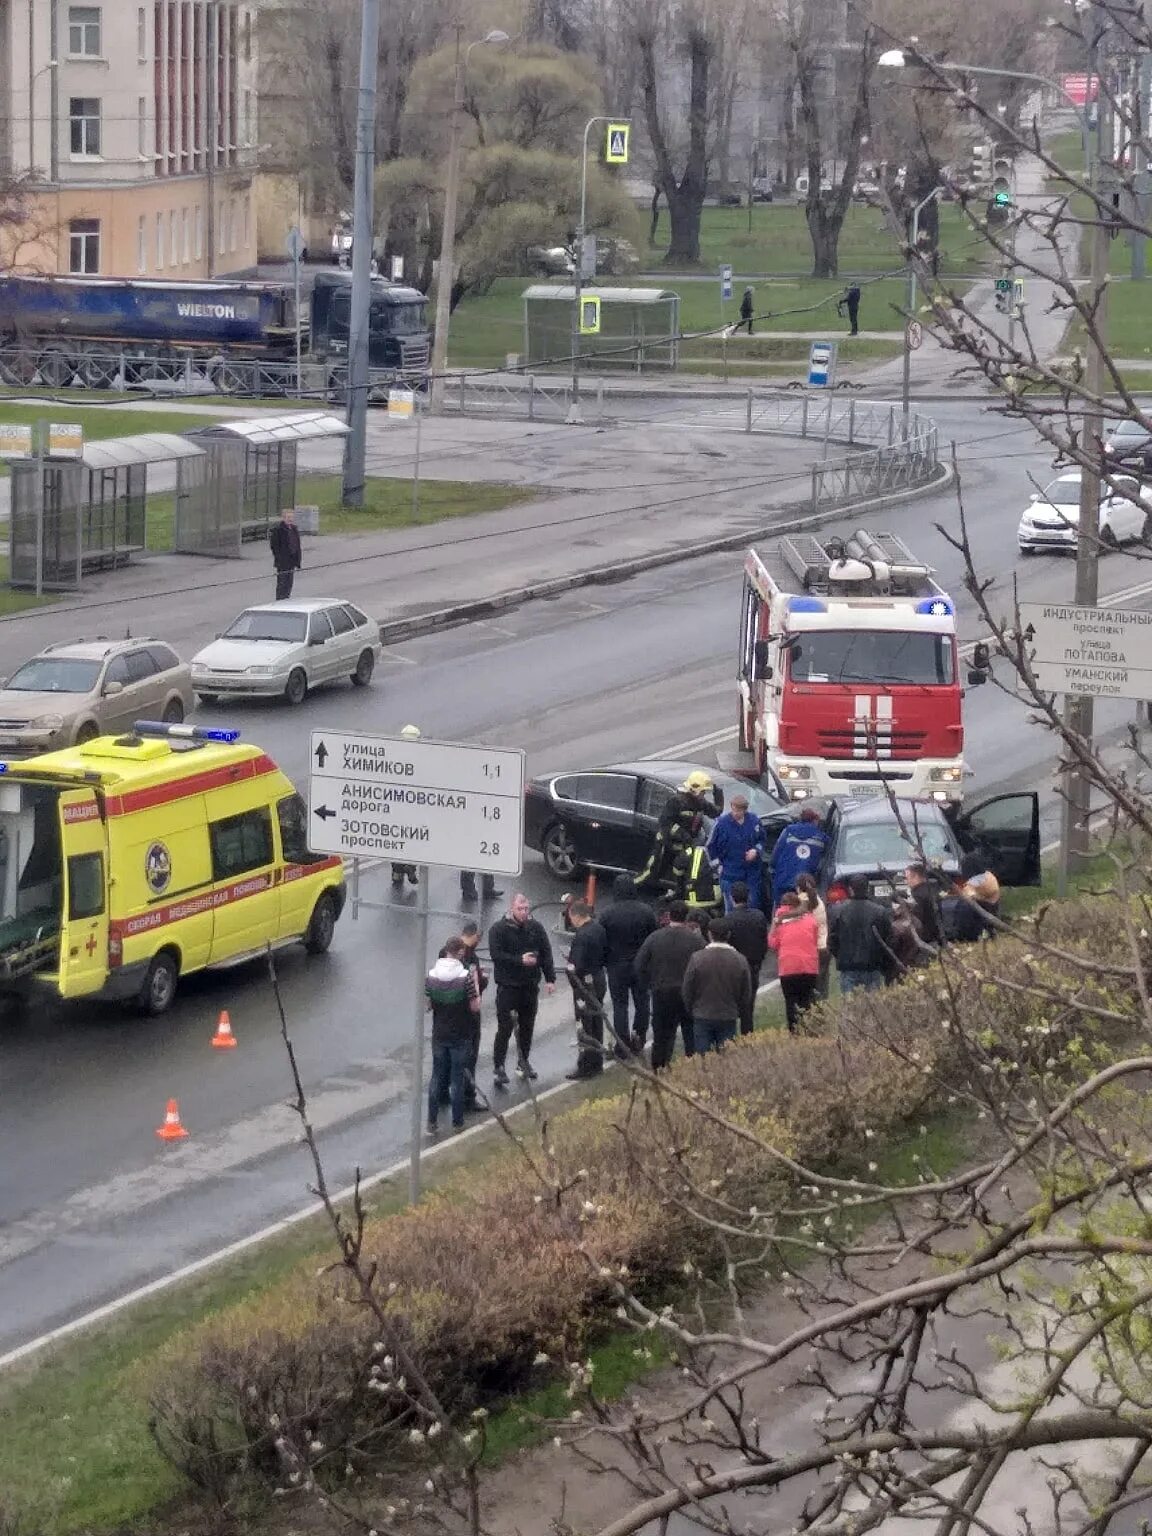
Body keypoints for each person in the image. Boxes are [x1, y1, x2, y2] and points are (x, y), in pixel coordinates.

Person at [488, 893, 556, 1086]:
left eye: (526, 909)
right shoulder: (499, 929)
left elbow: (546, 953)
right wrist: (519, 960)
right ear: (512, 908)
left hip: (529, 986)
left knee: (527, 1027)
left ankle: (523, 1061)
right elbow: (496, 955)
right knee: (505, 1028)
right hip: (508, 987)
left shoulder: (536, 928)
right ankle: (499, 1066)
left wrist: (550, 978)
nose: (524, 913)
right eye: (520, 909)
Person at [635, 899, 705, 1069]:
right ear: (686, 917)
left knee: (662, 1035)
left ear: (669, 916)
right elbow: (704, 964)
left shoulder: (655, 938)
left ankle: (660, 1069)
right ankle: (693, 1067)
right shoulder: (695, 940)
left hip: (662, 992)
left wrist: (649, 984)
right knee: (691, 1033)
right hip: (688, 993)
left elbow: (639, 964)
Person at [425, 936, 481, 1134]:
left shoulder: (432, 975)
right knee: (457, 1079)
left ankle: (431, 1121)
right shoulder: (465, 977)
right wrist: (475, 984)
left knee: (437, 1077)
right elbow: (475, 1007)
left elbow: (428, 1005)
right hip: (460, 1033)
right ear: (460, 953)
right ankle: (457, 1122)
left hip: (439, 1034)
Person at [600, 875, 658, 1055]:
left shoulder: (607, 914)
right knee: (642, 1002)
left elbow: (602, 940)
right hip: (640, 965)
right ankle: (639, 1038)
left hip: (616, 965)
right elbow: (653, 938)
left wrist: (605, 960)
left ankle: (622, 1044)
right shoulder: (646, 911)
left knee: (620, 1005)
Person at [638, 772, 716, 897]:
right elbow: (665, 822)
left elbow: (715, 812)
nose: (703, 795)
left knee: (680, 872)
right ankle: (630, 891)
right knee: (650, 873)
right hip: (666, 843)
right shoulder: (676, 801)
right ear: (695, 789)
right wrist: (683, 834)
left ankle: (676, 895)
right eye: (702, 792)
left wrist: (719, 793)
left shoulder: (700, 803)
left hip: (684, 846)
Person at [682, 916, 751, 1055]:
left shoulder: (697, 958)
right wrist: (739, 1010)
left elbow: (687, 988)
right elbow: (746, 992)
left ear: (709, 934)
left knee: (703, 1058)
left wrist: (692, 1008)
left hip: (702, 1014)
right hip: (728, 1015)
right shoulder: (740, 960)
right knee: (726, 1058)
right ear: (729, 935)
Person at [828, 873, 894, 994]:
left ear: (850, 889)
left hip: (848, 966)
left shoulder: (838, 911)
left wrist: (841, 956)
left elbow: (832, 940)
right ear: (867, 888)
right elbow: (888, 939)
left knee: (850, 1008)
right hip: (872, 965)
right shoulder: (879, 911)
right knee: (874, 1009)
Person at [565, 898, 608, 1079]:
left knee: (584, 1025)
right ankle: (597, 1061)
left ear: (575, 916)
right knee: (597, 1022)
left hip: (585, 985)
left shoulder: (581, 936)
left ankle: (585, 1065)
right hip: (598, 978)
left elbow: (577, 965)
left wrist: (570, 969)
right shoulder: (598, 929)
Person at [768, 891, 820, 1033]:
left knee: (791, 1002)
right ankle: (809, 1030)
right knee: (807, 1000)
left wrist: (773, 926)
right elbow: (814, 939)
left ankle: (794, 1032)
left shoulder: (780, 921)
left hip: (788, 967)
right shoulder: (810, 919)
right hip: (809, 966)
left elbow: (772, 943)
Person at [706, 793, 766, 912]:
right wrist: (718, 866)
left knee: (752, 906)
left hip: (751, 874)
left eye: (738, 811)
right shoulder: (721, 824)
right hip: (729, 874)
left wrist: (756, 851)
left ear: (745, 810)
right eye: (733, 809)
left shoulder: (754, 821)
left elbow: (762, 840)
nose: (735, 813)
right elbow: (710, 846)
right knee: (731, 908)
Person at [725, 880, 769, 1035]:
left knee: (730, 1006)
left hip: (734, 969)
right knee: (747, 1008)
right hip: (753, 965)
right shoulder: (758, 917)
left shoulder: (728, 920)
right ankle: (747, 1036)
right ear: (748, 897)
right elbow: (764, 941)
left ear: (732, 898)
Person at [769, 807, 829, 909]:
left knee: (781, 913)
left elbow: (775, 855)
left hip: (783, 881)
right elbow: (823, 863)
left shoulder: (788, 831)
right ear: (815, 820)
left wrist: (773, 870)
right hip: (806, 885)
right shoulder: (822, 838)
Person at [795, 872, 830, 999]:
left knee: (807, 989)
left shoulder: (800, 902)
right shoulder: (818, 900)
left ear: (798, 888)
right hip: (823, 946)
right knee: (822, 986)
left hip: (808, 949)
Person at [953, 853, 1001, 943]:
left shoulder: (972, 883)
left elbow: (969, 896)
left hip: (977, 920)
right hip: (992, 910)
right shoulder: (990, 876)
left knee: (962, 906)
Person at [905, 862, 944, 953]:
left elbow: (916, 918)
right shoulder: (932, 890)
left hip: (925, 938)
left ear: (915, 876)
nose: (906, 882)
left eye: (907, 878)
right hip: (937, 935)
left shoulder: (917, 895)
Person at [269, 507, 302, 601]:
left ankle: (286, 599)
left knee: (289, 584)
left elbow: (297, 545)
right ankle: (280, 601)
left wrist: (298, 560)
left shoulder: (294, 529)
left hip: (292, 561)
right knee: (282, 584)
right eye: (288, 517)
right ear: (283, 518)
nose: (290, 519)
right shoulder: (278, 530)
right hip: (283, 562)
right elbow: (274, 546)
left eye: (291, 517)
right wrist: (279, 558)